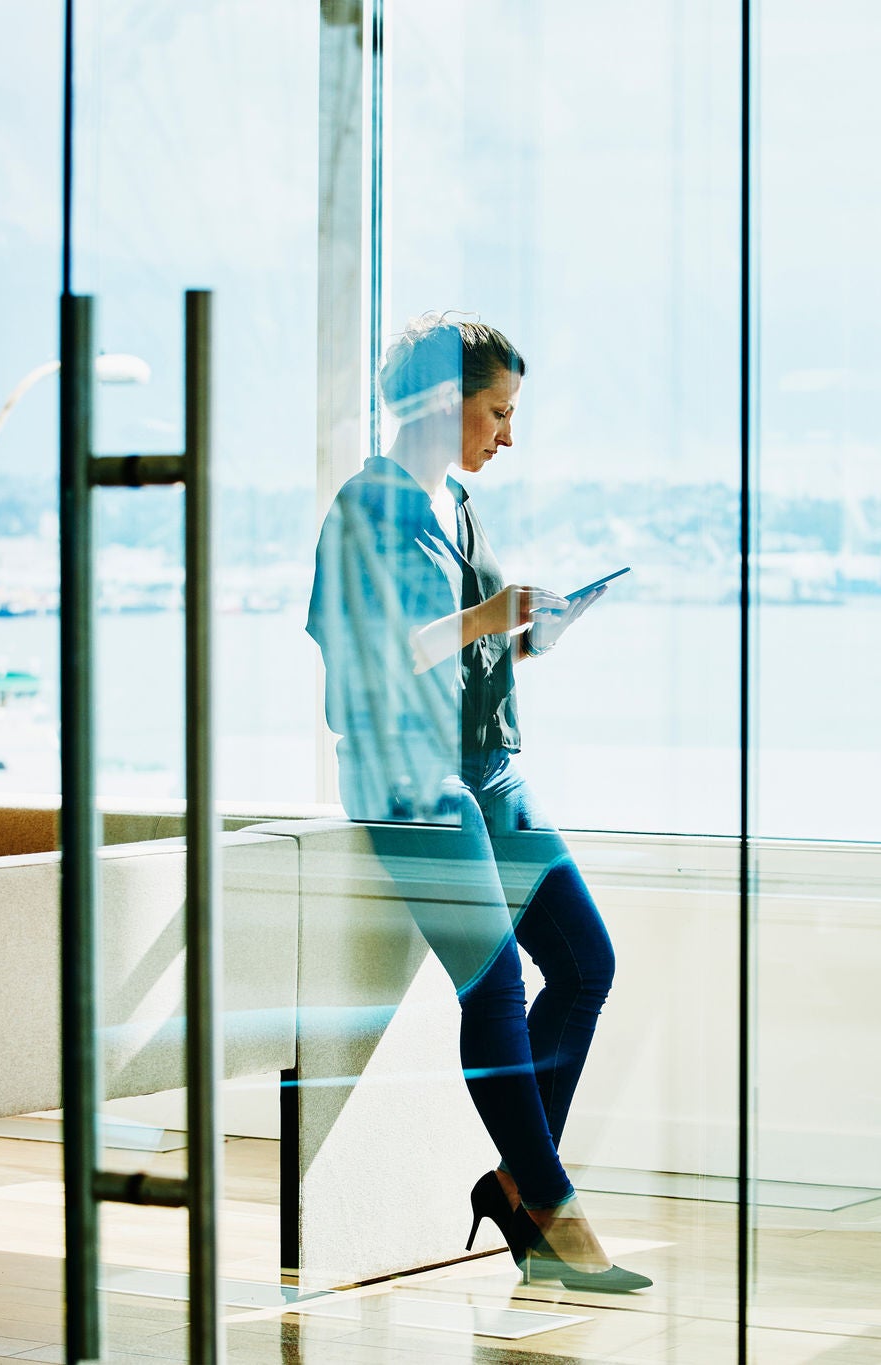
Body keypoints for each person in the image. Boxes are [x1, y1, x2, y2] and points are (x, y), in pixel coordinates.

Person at [306, 312, 648, 1292]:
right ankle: (550, 1205)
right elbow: (383, 655)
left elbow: (467, 648)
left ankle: (514, 1181)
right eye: (495, 412)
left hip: (485, 764)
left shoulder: (454, 504)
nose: (508, 434)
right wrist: (493, 616)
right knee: (494, 985)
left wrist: (532, 632)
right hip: (408, 776)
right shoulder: (368, 509)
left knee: (584, 963)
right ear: (436, 404)